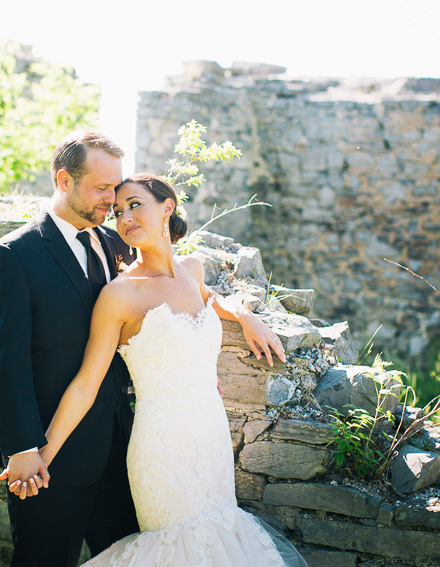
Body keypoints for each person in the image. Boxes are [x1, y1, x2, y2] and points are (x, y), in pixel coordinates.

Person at [22, 173, 309, 566]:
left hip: (211, 438)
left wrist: (244, 316)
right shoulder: (120, 294)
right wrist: (40, 455)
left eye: (135, 204)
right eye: (118, 211)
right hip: (161, 449)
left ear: (167, 207)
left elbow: (210, 301)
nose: (125, 218)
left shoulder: (192, 269)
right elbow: (86, 385)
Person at [0, 130, 140, 567]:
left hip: (122, 450)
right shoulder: (14, 254)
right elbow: (2, 364)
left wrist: (239, 314)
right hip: (49, 458)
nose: (113, 198)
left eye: (116, 186)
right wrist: (23, 448)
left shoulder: (117, 244)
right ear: (64, 180)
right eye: (102, 188)